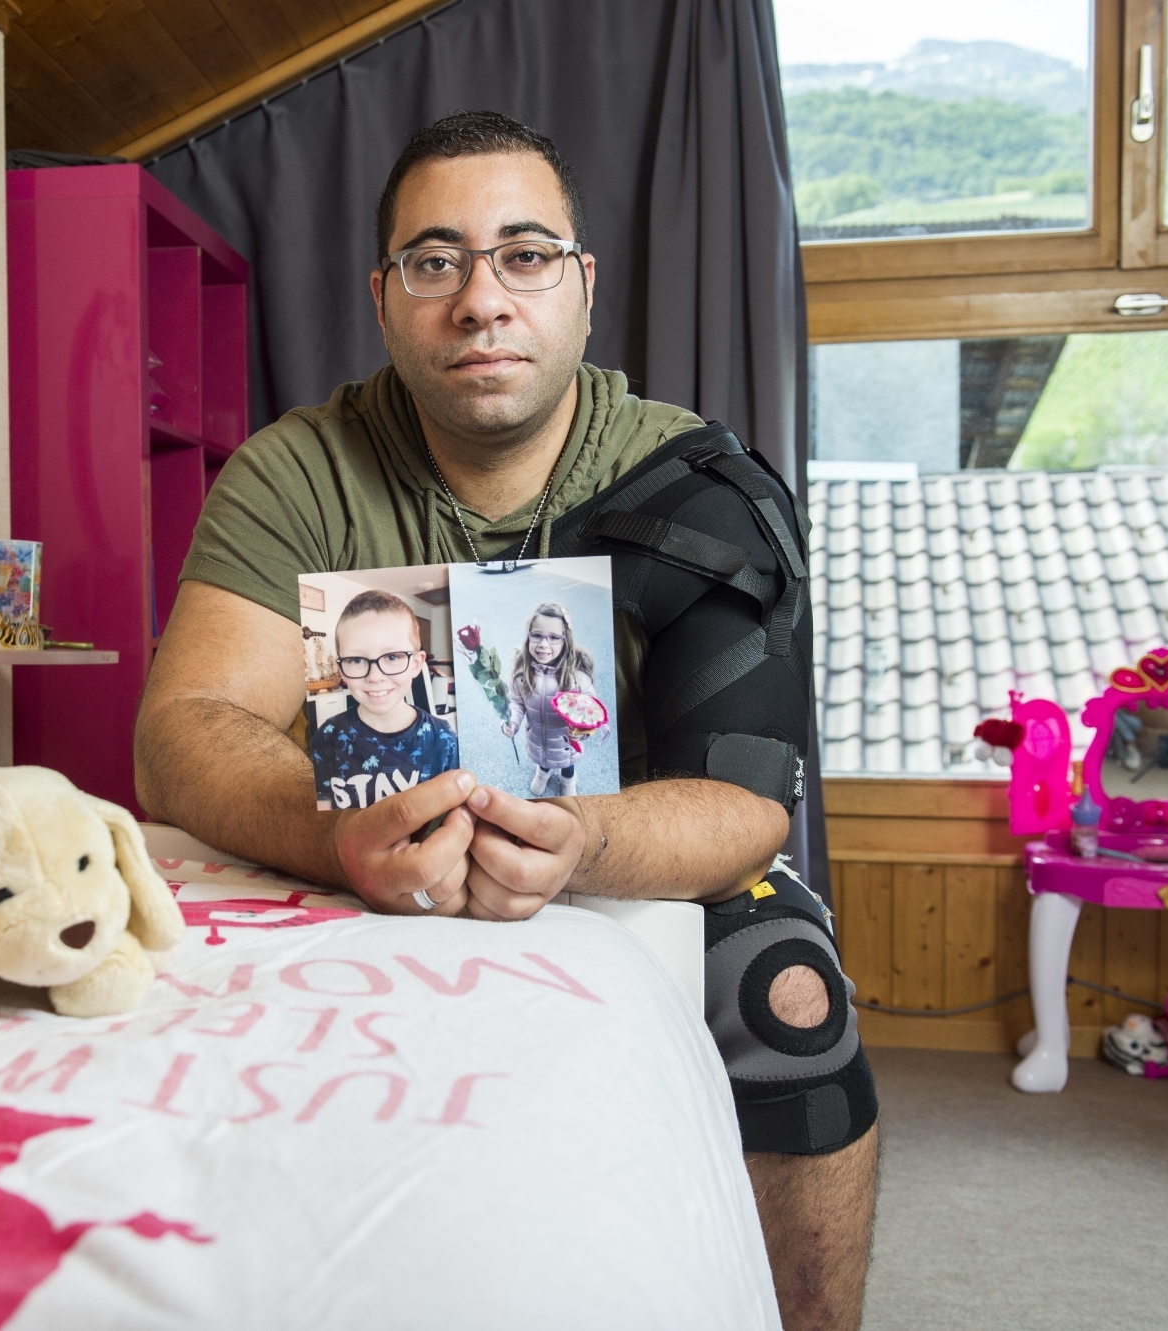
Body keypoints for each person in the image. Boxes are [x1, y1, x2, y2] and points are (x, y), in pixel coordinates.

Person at [135, 111, 876, 1329]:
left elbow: (745, 803)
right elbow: (186, 725)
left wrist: (578, 840)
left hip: (624, 858)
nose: (481, 299)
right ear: (383, 296)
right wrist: (337, 834)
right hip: (350, 852)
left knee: (790, 997)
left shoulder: (697, 482)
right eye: (435, 260)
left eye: (523, 255)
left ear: (581, 288)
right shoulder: (294, 469)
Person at [310, 590, 460, 811]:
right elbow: (322, 811)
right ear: (341, 669)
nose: (375, 677)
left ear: (416, 664)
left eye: (392, 657)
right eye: (357, 659)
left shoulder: (443, 739)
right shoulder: (327, 736)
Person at [502, 601, 596, 797]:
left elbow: (590, 710)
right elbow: (516, 703)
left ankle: (569, 779)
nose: (543, 644)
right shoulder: (521, 675)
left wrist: (581, 730)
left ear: (565, 640)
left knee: (567, 763)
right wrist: (513, 720)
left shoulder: (576, 677)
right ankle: (542, 773)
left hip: (565, 743)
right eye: (537, 635)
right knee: (543, 759)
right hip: (537, 738)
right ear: (528, 637)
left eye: (554, 638)